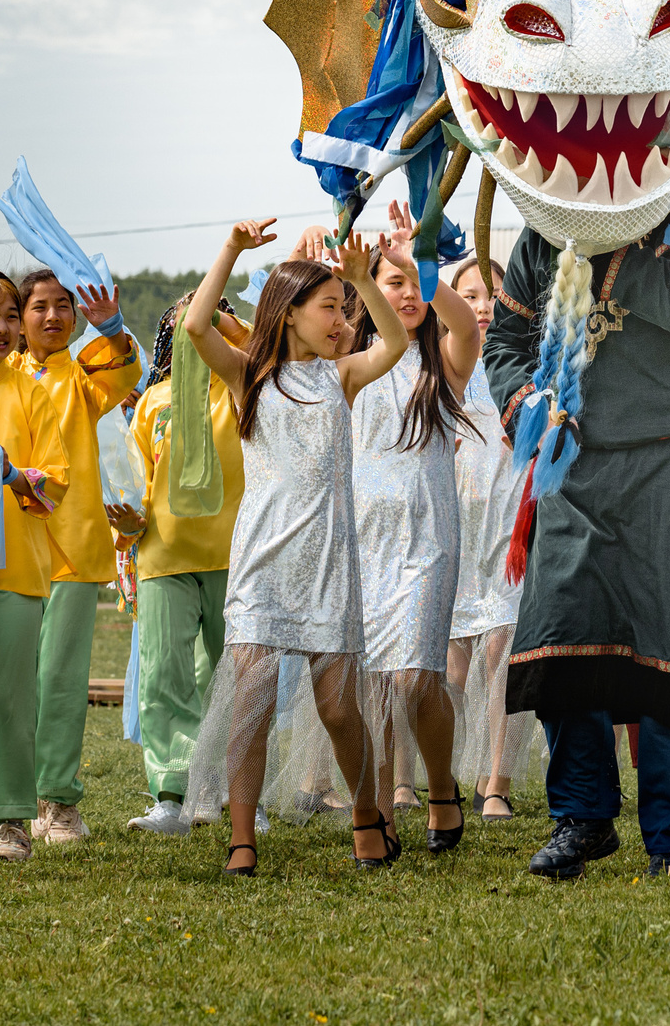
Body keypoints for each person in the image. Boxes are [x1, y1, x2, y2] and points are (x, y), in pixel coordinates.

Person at [486, 194, 670, 882]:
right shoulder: (543, 230)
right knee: (563, 636)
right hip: (575, 464)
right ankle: (581, 814)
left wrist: (603, 239)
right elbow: (505, 342)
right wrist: (529, 403)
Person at [180, 223, 414, 871]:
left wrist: (363, 278)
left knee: (339, 708)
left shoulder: (342, 378)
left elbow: (393, 341)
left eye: (343, 308)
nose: (342, 321)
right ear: (288, 314)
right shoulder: (249, 375)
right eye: (330, 307)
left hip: (329, 567)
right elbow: (198, 325)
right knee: (250, 702)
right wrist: (231, 250)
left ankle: (368, 812)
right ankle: (242, 838)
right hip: (263, 564)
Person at [347, 213, 480, 853]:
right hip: (362, 543)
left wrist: (417, 259)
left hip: (428, 540)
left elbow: (459, 321)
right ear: (369, 291)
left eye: (413, 283)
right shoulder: (349, 364)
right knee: (371, 683)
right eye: (391, 281)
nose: (405, 294)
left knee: (415, 677)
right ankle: (376, 818)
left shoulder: (446, 362)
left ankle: (441, 788)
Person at [14, 270, 140, 848]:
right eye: (39, 306)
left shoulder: (83, 375)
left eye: (63, 306)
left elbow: (128, 369)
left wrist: (111, 328)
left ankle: (57, 802)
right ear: (20, 316)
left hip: (72, 550)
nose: (52, 317)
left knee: (61, 681)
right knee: (13, 682)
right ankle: (8, 803)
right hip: (10, 550)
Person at [119, 294, 250, 840]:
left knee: (238, 679)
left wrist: (219, 319)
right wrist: (124, 518)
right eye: (186, 325)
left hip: (235, 556)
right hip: (164, 555)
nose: (197, 333)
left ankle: (242, 792)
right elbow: (133, 482)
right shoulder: (152, 402)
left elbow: (257, 342)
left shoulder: (246, 389)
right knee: (164, 680)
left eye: (211, 321)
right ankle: (171, 796)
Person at [0, 268, 66, 862]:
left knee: (11, 696)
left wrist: (13, 474)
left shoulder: (31, 391)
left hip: (17, 566)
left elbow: (58, 481)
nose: (0, 328)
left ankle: (10, 819)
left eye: (7, 316)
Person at [441, 254, 535, 823]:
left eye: (492, 295)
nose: (481, 306)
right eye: (468, 295)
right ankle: (442, 774)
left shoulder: (523, 361)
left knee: (503, 646)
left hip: (508, 522)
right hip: (452, 528)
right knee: (454, 665)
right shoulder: (441, 363)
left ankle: (495, 782)